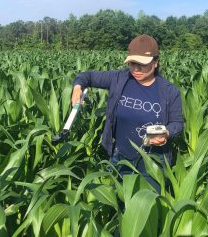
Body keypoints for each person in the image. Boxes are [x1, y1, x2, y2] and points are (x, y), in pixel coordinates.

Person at [71, 34, 183, 192]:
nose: (135, 70)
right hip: (120, 157)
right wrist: (77, 88)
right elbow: (86, 76)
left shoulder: (169, 92)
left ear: (156, 62)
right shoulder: (119, 79)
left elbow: (177, 124)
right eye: (132, 64)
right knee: (120, 204)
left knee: (145, 209)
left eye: (141, 65)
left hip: (152, 161)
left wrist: (167, 133)